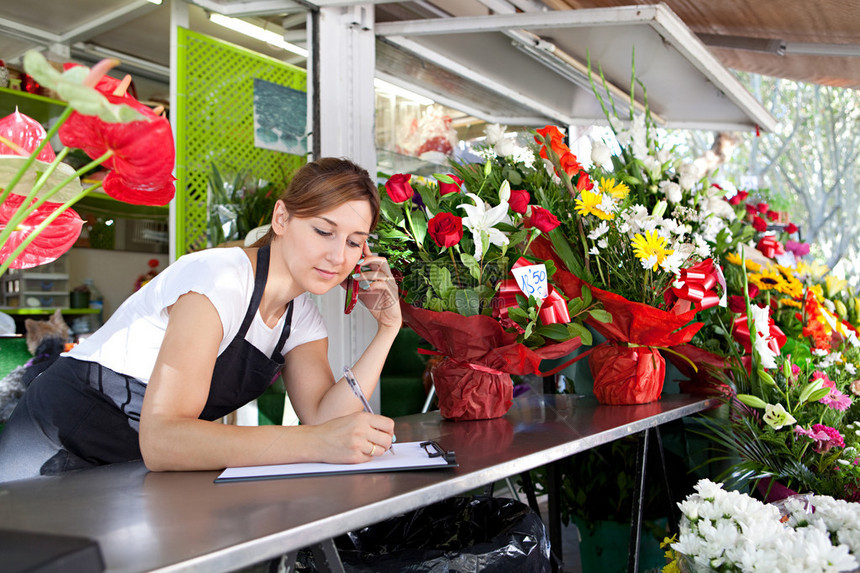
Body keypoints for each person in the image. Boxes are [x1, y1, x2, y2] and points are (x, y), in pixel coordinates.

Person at [0, 157, 400, 482]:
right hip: (61, 435)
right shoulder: (220, 278)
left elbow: (324, 416)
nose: (338, 256)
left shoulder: (302, 317)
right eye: (323, 231)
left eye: (353, 242)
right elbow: (164, 440)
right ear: (281, 219)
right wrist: (314, 442)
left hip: (135, 464)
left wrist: (388, 329)